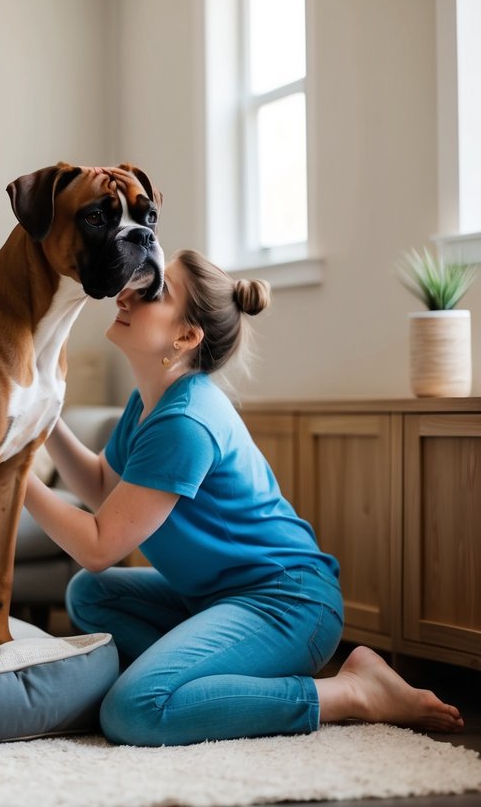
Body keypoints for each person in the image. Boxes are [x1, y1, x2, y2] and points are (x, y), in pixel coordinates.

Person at [23, 248, 464, 746]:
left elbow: (100, 545)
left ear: (186, 337)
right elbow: (104, 486)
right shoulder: (150, 399)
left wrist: (12, 473)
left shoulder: (185, 421)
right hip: (216, 601)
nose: (129, 290)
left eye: (155, 290)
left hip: (288, 605)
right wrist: (39, 413)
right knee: (90, 594)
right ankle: (207, 687)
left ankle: (350, 693)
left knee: (135, 711)